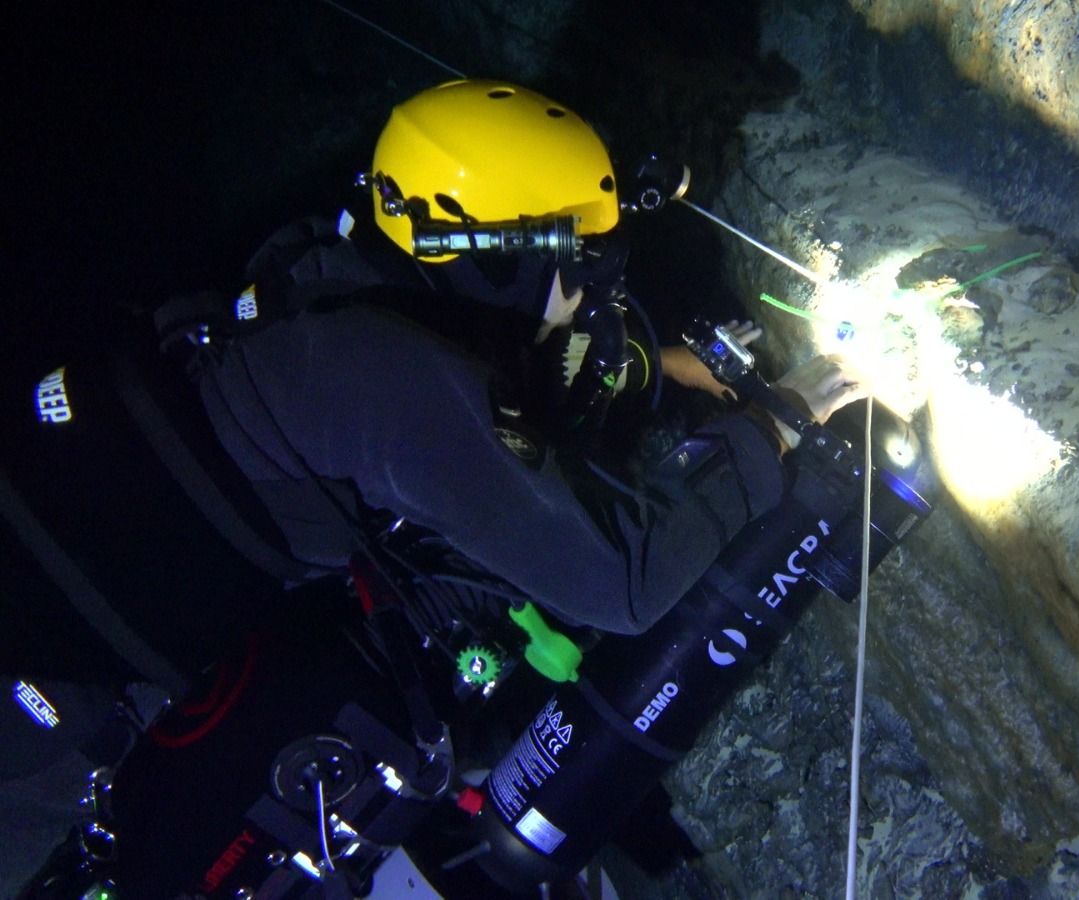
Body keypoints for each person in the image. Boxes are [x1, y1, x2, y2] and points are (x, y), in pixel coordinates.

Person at [0, 78, 862, 894]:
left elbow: (518, 362)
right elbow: (622, 582)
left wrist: (664, 368)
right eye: (584, 262)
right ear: (500, 259)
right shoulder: (391, 380)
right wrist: (777, 421)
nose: (596, 289)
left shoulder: (331, 272)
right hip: (35, 709)